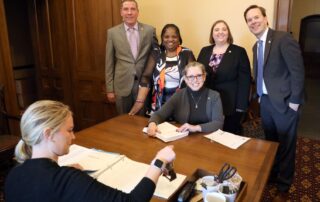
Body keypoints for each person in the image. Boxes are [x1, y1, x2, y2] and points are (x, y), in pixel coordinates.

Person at [5, 100, 176, 202]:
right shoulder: (67, 180)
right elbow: (133, 201)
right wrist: (158, 162)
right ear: (48, 134)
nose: (74, 137)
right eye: (69, 130)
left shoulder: (13, 175)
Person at [244, 5, 305, 200]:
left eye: (256, 17)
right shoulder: (255, 46)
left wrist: (295, 101)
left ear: (265, 18)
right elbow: (260, 74)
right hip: (266, 102)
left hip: (286, 103)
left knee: (286, 144)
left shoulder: (282, 38)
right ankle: (274, 173)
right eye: (249, 20)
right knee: (271, 143)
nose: (253, 22)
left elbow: (297, 71)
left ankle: (284, 186)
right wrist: (260, 97)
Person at [197, 20, 251, 135]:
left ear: (228, 33)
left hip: (230, 103)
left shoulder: (239, 51)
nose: (220, 32)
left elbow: (245, 81)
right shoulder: (204, 51)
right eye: (216, 29)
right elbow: (197, 75)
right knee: (208, 135)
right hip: (207, 102)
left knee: (229, 136)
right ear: (212, 34)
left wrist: (241, 106)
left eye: (224, 29)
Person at [129, 24, 195, 115]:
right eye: (166, 37)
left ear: (179, 38)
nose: (170, 40)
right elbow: (146, 77)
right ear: (162, 39)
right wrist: (139, 102)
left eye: (174, 36)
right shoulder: (156, 53)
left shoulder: (187, 53)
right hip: (158, 104)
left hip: (182, 103)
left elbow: (195, 76)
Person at [105, 0, 157, 114]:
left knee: (141, 121)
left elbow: (156, 56)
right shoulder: (112, 33)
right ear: (121, 12)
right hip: (122, 85)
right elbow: (109, 63)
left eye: (133, 9)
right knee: (122, 121)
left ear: (138, 12)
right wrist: (109, 89)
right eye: (126, 9)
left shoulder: (149, 31)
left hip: (143, 85)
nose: (129, 12)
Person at [147, 62, 224, 136]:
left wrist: (195, 128)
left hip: (208, 139)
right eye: (191, 77)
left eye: (199, 76)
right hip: (184, 138)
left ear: (204, 77)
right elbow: (159, 114)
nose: (195, 80)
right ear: (186, 79)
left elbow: (218, 123)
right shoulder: (179, 94)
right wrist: (152, 123)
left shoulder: (214, 96)